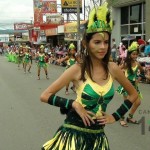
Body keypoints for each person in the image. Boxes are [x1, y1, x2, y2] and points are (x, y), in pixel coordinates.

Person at [40, 2, 138, 150]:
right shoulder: (76, 69)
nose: (103, 47)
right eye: (97, 42)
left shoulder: (113, 68)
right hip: (73, 137)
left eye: (106, 42)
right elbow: (45, 95)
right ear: (86, 43)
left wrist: (115, 116)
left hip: (98, 138)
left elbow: (133, 94)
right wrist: (74, 104)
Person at [117, 41, 144, 127]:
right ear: (129, 55)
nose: (135, 56)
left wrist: (138, 80)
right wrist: (123, 78)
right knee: (127, 103)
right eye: (133, 54)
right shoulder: (126, 64)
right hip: (126, 86)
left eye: (136, 54)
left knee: (138, 102)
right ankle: (121, 119)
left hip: (134, 86)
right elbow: (117, 70)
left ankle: (129, 117)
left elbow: (142, 73)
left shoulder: (138, 64)